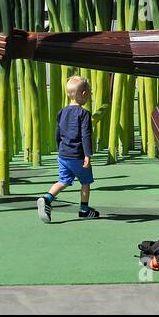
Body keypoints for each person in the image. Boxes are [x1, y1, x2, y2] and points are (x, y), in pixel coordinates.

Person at [36, 75, 99, 222]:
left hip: (63, 154)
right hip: (77, 155)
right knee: (85, 182)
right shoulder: (84, 114)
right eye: (88, 94)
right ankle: (84, 210)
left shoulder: (61, 112)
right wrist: (88, 155)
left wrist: (60, 149)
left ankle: (46, 198)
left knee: (63, 181)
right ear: (83, 94)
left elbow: (57, 133)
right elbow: (85, 135)